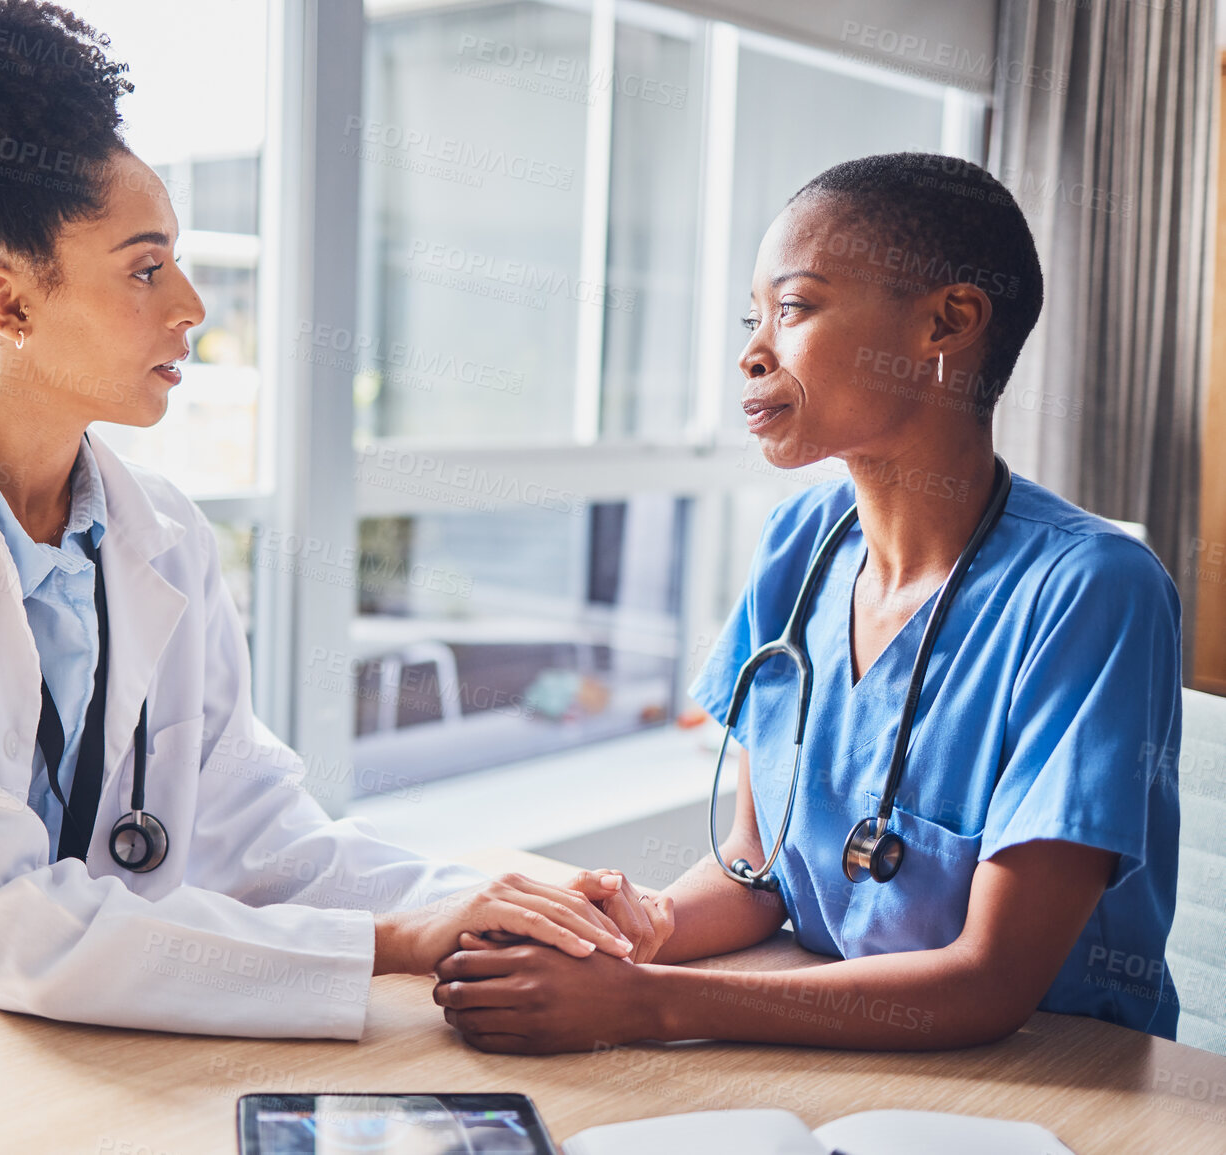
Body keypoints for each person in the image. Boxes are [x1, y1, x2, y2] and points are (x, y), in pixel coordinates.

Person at [0, 0, 640, 1061]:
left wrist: (495, 900)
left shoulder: (158, 532)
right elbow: (1, 923)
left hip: (58, 1046)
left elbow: (252, 827)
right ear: (9, 303)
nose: (190, 304)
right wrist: (396, 941)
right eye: (145, 267)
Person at [433, 153, 1182, 1054]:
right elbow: (761, 873)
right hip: (827, 1043)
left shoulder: (1094, 590)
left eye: (791, 310)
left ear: (947, 322)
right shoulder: (801, 542)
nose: (752, 352)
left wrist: (645, 1003)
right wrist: (636, 930)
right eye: (753, 319)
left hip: (1046, 1078)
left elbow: (992, 982)